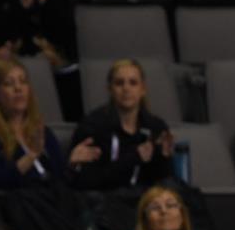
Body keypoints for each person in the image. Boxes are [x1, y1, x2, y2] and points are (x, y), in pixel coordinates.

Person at [0, 57, 85, 189]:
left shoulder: (41, 131)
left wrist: (72, 165)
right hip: (13, 201)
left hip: (50, 200)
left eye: (23, 82)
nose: (18, 88)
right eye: (8, 84)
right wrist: (30, 156)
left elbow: (60, 182)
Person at [68, 59, 170, 193]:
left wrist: (164, 159)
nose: (126, 88)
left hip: (143, 200)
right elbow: (85, 182)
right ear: (110, 89)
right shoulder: (93, 126)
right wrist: (132, 158)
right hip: (103, 200)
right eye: (119, 83)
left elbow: (163, 182)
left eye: (133, 83)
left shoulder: (155, 126)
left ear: (143, 89)